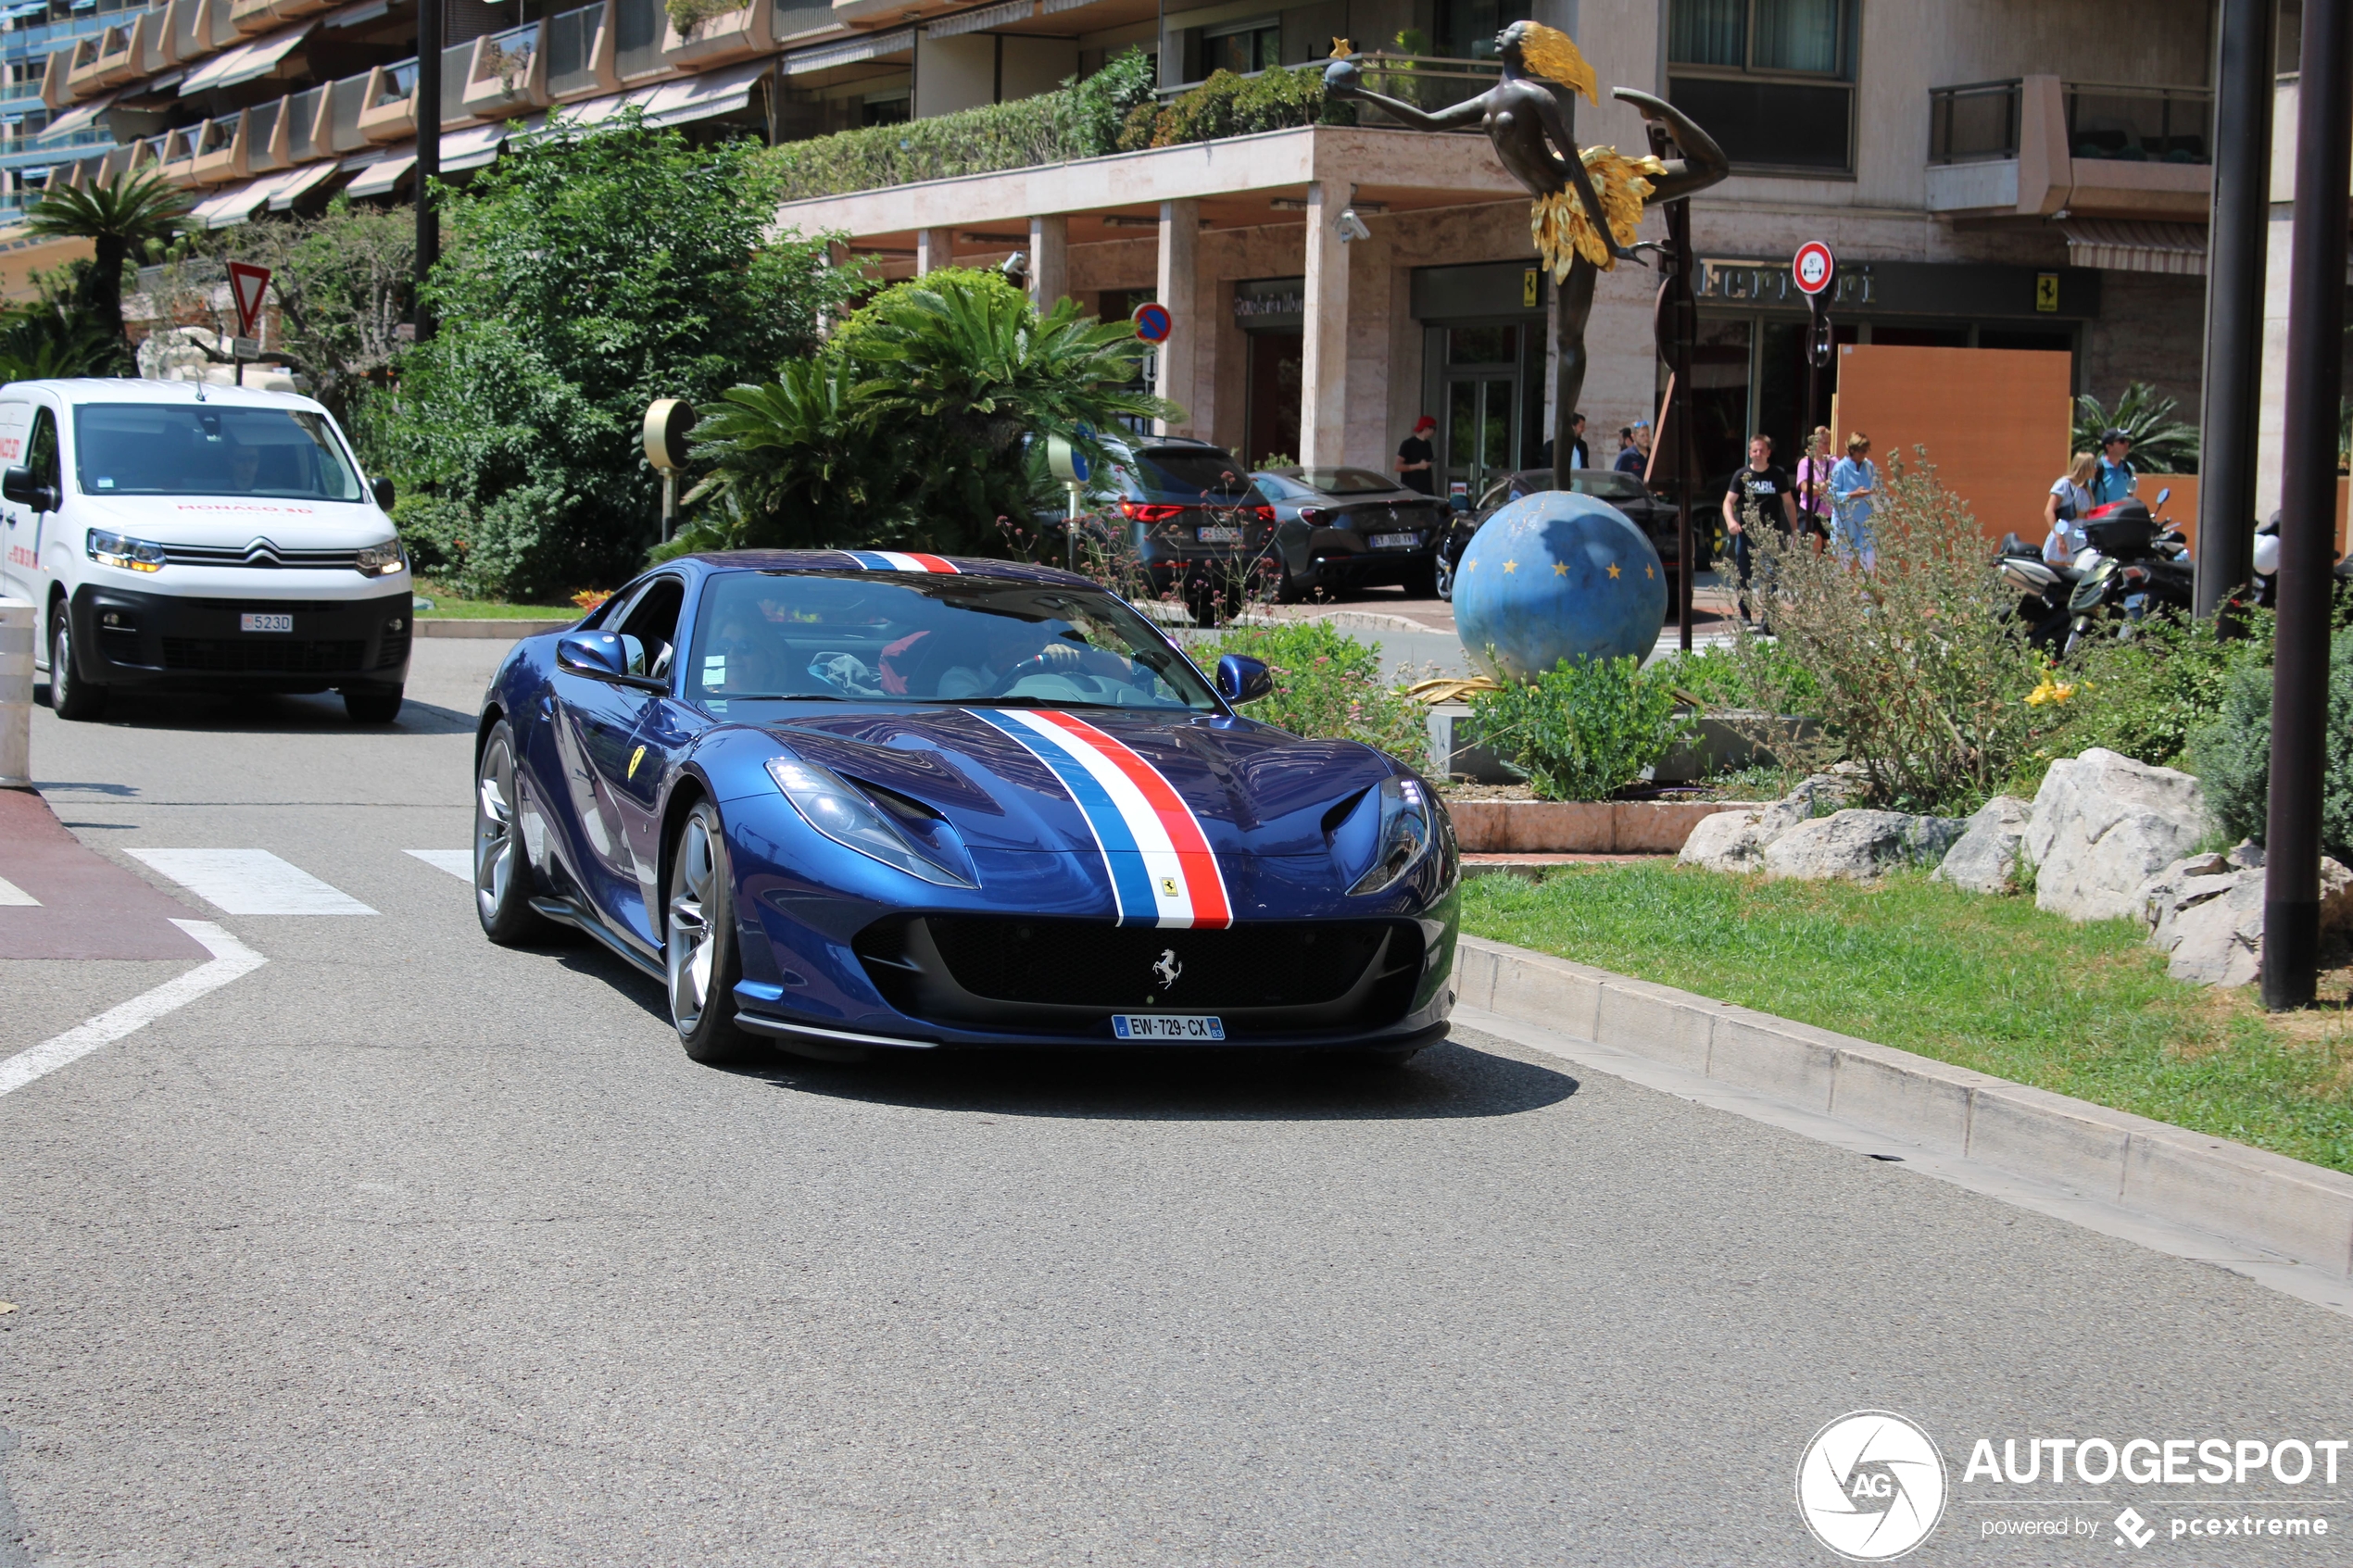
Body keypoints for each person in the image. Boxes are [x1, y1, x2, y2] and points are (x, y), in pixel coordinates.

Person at [1720, 433, 1793, 623]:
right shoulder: (1742, 475)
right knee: (1744, 575)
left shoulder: (1778, 475)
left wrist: (1795, 529)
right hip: (1747, 534)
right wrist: (1731, 522)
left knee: (1770, 575)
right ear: (1749, 453)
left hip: (1770, 535)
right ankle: (1745, 613)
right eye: (1755, 450)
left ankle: (1768, 616)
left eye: (1762, 450)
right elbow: (1728, 502)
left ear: (1769, 452)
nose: (1758, 453)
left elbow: (1788, 503)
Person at [1828, 432, 1878, 571]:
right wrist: (1853, 494)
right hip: (1845, 524)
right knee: (1841, 570)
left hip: (1866, 522)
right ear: (1852, 450)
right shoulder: (1840, 467)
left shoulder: (1869, 466)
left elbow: (1876, 485)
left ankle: (1865, 594)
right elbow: (1832, 496)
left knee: (1868, 565)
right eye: (1861, 451)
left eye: (1866, 450)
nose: (1864, 454)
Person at [2044, 451, 2097, 565]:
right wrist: (2059, 538)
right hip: (2063, 533)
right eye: (2093, 466)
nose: (2095, 469)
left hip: (2079, 538)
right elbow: (2049, 511)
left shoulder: (2086, 489)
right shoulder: (2064, 484)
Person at [1793, 425, 1833, 544]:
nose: (1827, 447)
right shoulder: (1805, 463)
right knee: (1808, 548)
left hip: (1828, 513)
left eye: (1829, 443)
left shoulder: (1834, 462)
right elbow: (1807, 490)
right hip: (1809, 512)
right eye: (1824, 443)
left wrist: (1818, 487)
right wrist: (1827, 485)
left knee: (1830, 550)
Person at [2091, 427, 2136, 507]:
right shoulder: (2096, 469)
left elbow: (2130, 495)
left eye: (2127, 441)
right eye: (2122, 441)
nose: (2127, 444)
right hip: (2101, 518)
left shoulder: (2129, 469)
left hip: (2121, 518)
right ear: (2109, 447)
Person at [1396, 415, 1437, 495]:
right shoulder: (1408, 444)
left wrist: (1432, 485)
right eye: (1434, 428)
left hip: (1427, 490)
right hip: (1412, 490)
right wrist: (1418, 466)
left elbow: (1428, 468)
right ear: (1426, 428)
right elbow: (1397, 466)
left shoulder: (1428, 444)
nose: (1434, 432)